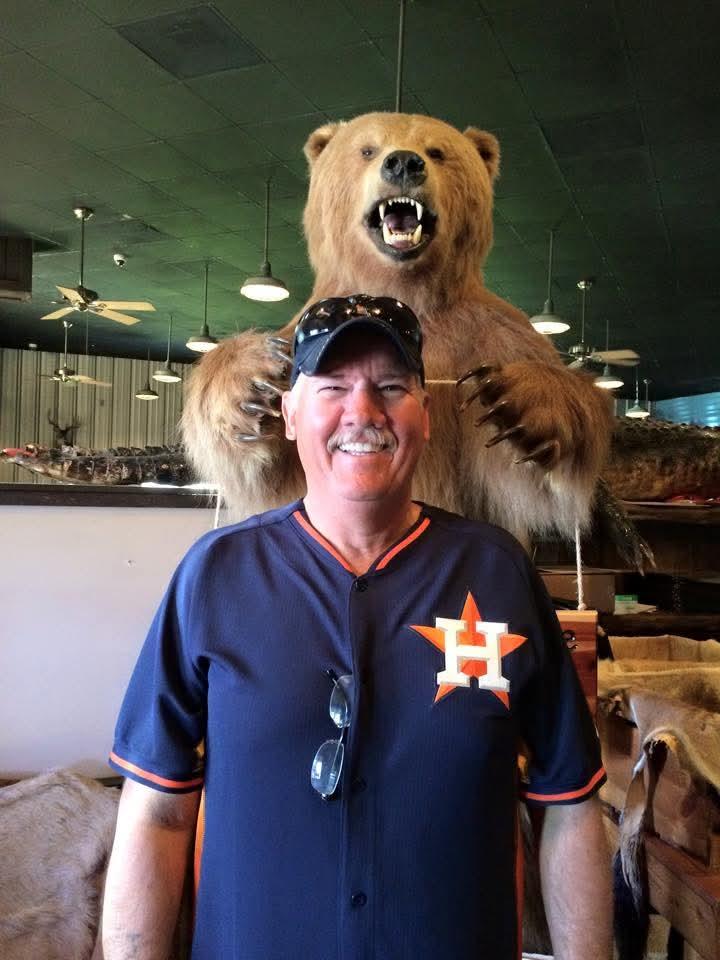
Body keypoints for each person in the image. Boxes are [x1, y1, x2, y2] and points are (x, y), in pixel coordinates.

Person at [103, 294, 612, 960]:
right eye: (333, 387)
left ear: (425, 417)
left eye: (391, 387)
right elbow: (157, 814)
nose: (363, 412)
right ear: (289, 415)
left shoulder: (497, 574)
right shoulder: (215, 576)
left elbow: (568, 805)